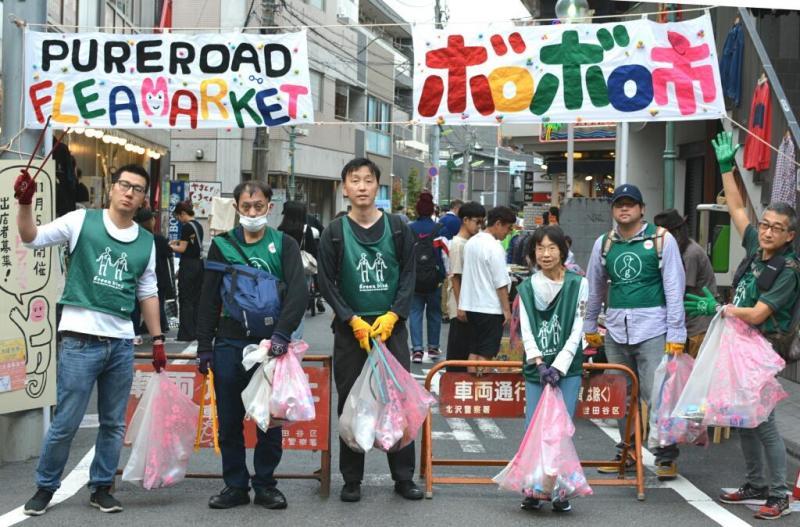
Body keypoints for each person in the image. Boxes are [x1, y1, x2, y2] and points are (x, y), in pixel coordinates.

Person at [16, 164, 164, 516]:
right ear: (112, 189)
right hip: (80, 341)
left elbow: (148, 293)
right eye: (125, 185)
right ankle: (45, 487)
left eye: (138, 189)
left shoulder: (146, 242)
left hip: (121, 344)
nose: (130, 192)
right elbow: (31, 237)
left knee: (114, 423)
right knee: (66, 420)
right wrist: (24, 203)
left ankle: (101, 487)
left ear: (143, 198)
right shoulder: (80, 221)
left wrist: (158, 340)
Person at [693, 132, 799, 520]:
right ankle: (755, 484)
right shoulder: (757, 249)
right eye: (766, 224)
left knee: (764, 423)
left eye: (776, 228)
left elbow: (756, 314)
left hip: (763, 350)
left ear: (790, 235)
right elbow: (737, 209)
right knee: (744, 421)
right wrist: (725, 167)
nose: (767, 230)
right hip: (738, 346)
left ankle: (779, 494)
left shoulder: (788, 269)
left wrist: (719, 307)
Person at [195, 180, 306, 510]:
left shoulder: (283, 244)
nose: (253, 213)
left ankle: (266, 483)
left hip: (271, 345)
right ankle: (235, 485)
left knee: (270, 420)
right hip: (230, 342)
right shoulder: (222, 245)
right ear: (237, 208)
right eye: (247, 207)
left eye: (259, 207)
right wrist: (204, 345)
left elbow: (298, 293)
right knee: (229, 419)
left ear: (269, 208)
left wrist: (282, 338)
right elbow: (208, 297)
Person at [318, 158, 423, 503]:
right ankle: (351, 479)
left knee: (397, 401)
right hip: (352, 333)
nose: (362, 187)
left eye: (368, 180)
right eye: (354, 180)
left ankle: (404, 477)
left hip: (390, 331)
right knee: (351, 403)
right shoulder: (334, 232)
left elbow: (408, 275)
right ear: (344, 188)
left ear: (378, 186)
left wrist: (394, 315)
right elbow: (326, 283)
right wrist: (351, 319)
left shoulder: (397, 228)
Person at [583, 184, 686, 480]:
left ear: (642, 209)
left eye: (630, 204)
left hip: (654, 328)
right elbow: (595, 286)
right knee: (619, 396)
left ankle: (666, 455)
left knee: (658, 395)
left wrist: (676, 334)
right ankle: (626, 451)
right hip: (615, 329)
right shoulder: (605, 243)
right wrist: (590, 326)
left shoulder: (661, 239)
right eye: (618, 205)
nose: (624, 209)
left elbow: (674, 287)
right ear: (613, 210)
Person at [517, 225, 588, 513]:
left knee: (561, 429)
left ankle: (559, 490)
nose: (545, 254)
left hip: (567, 369)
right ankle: (534, 488)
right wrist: (540, 363)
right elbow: (526, 329)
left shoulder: (578, 284)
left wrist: (559, 366)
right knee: (533, 428)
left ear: (563, 251)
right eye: (540, 248)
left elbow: (578, 327)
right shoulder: (526, 286)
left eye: (551, 248)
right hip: (537, 367)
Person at [654, 209, 717, 357]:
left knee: (693, 374)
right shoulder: (680, 250)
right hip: (689, 324)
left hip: (698, 326)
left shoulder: (690, 254)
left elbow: (678, 290)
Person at [459, 206, 517, 368]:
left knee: (474, 349)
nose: (509, 232)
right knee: (486, 353)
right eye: (508, 227)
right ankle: (482, 386)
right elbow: (500, 283)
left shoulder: (471, 242)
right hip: (490, 308)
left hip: (471, 306)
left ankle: (471, 387)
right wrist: (507, 310)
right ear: (498, 224)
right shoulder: (494, 247)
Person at [445, 202, 486, 372]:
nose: (479, 227)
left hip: (468, 304)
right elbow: (455, 277)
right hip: (460, 306)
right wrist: (461, 307)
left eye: (482, 223)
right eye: (477, 222)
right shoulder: (458, 244)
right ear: (465, 220)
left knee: (466, 348)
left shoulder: (469, 242)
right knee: (458, 351)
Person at [409, 192, 448, 363]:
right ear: (432, 210)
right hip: (434, 280)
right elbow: (445, 255)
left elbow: (404, 254)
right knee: (434, 313)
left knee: (415, 312)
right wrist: (443, 276)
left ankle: (417, 349)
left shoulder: (409, 229)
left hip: (414, 279)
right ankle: (433, 347)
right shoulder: (439, 229)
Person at [131, 208, 174, 343]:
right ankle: (158, 332)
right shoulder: (158, 239)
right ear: (150, 221)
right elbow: (169, 253)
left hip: (137, 275)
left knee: (135, 306)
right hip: (158, 277)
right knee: (157, 304)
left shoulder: (135, 237)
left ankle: (136, 333)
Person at [278, 200, 316, 339]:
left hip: (283, 272)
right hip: (302, 272)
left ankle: (283, 335)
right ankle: (295, 341)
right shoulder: (306, 230)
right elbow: (314, 251)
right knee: (298, 306)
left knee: (283, 305)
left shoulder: (280, 231)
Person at [169, 200, 204, 341]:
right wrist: (176, 242)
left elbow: (183, 249)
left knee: (185, 300)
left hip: (188, 265)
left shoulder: (186, 227)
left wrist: (169, 246)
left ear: (183, 213)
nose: (178, 220)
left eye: (178, 216)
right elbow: (190, 245)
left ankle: (186, 333)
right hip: (198, 265)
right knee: (195, 300)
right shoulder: (198, 226)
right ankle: (194, 330)